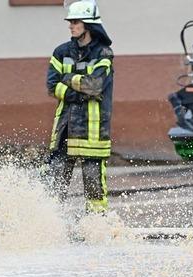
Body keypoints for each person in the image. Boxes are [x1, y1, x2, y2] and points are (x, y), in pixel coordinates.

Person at [46, 0, 114, 214]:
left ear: (88, 24)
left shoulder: (104, 53)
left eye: (75, 21)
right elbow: (51, 86)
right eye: (70, 22)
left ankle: (96, 225)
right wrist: (78, 93)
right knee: (54, 182)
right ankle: (50, 224)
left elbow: (95, 86)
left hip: (93, 132)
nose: (70, 26)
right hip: (65, 127)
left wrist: (67, 78)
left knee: (94, 185)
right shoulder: (61, 52)